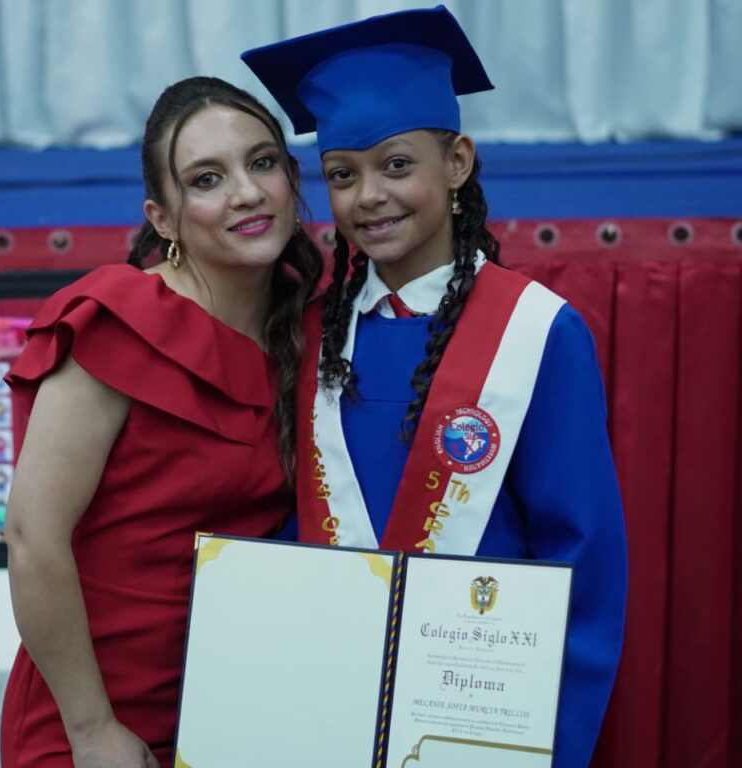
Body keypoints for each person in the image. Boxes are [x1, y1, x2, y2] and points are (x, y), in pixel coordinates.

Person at [242, 6, 627, 767]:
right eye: (342, 174)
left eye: (396, 165)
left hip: (475, 722)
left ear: (457, 163)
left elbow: (578, 562)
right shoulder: (310, 334)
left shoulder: (536, 334)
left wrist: (544, 745)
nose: (368, 196)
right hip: (322, 712)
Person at [0, 76, 323, 768]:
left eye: (262, 163)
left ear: (293, 181)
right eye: (207, 179)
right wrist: (92, 730)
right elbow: (32, 537)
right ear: (164, 218)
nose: (246, 192)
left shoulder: (313, 323)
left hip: (241, 712)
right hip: (99, 716)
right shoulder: (118, 323)